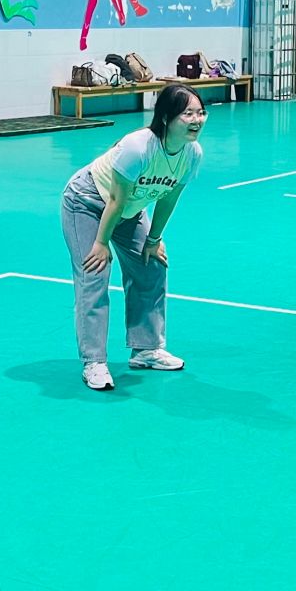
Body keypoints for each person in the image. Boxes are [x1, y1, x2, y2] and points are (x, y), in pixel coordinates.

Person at [62, 84, 204, 390]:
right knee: (94, 272)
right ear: (166, 118)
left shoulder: (192, 154)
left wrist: (154, 240)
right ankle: (94, 362)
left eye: (200, 113)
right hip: (88, 202)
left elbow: (168, 198)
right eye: (188, 114)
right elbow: (114, 199)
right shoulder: (139, 148)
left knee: (152, 266)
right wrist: (101, 243)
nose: (197, 120)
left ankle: (146, 349)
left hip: (129, 207)